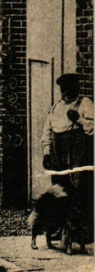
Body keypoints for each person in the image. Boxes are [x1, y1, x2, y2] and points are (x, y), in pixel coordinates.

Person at [41, 73, 94, 242]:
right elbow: (47, 131)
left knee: (77, 189)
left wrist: (78, 119)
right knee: (58, 189)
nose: (65, 93)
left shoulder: (85, 104)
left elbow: (92, 129)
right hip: (58, 152)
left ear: (75, 88)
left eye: (68, 89)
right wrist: (47, 152)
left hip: (77, 152)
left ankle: (80, 231)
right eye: (62, 89)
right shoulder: (56, 107)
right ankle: (59, 228)